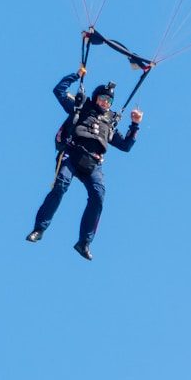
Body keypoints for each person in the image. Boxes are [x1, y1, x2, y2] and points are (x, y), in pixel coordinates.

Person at [26, 67, 144, 260]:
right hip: (72, 154)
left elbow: (125, 146)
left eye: (109, 101)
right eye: (103, 99)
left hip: (93, 164)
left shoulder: (109, 123)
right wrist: (76, 76)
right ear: (96, 97)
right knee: (60, 186)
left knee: (98, 197)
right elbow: (59, 91)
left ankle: (84, 243)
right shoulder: (80, 107)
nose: (105, 103)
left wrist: (135, 124)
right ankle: (39, 229)